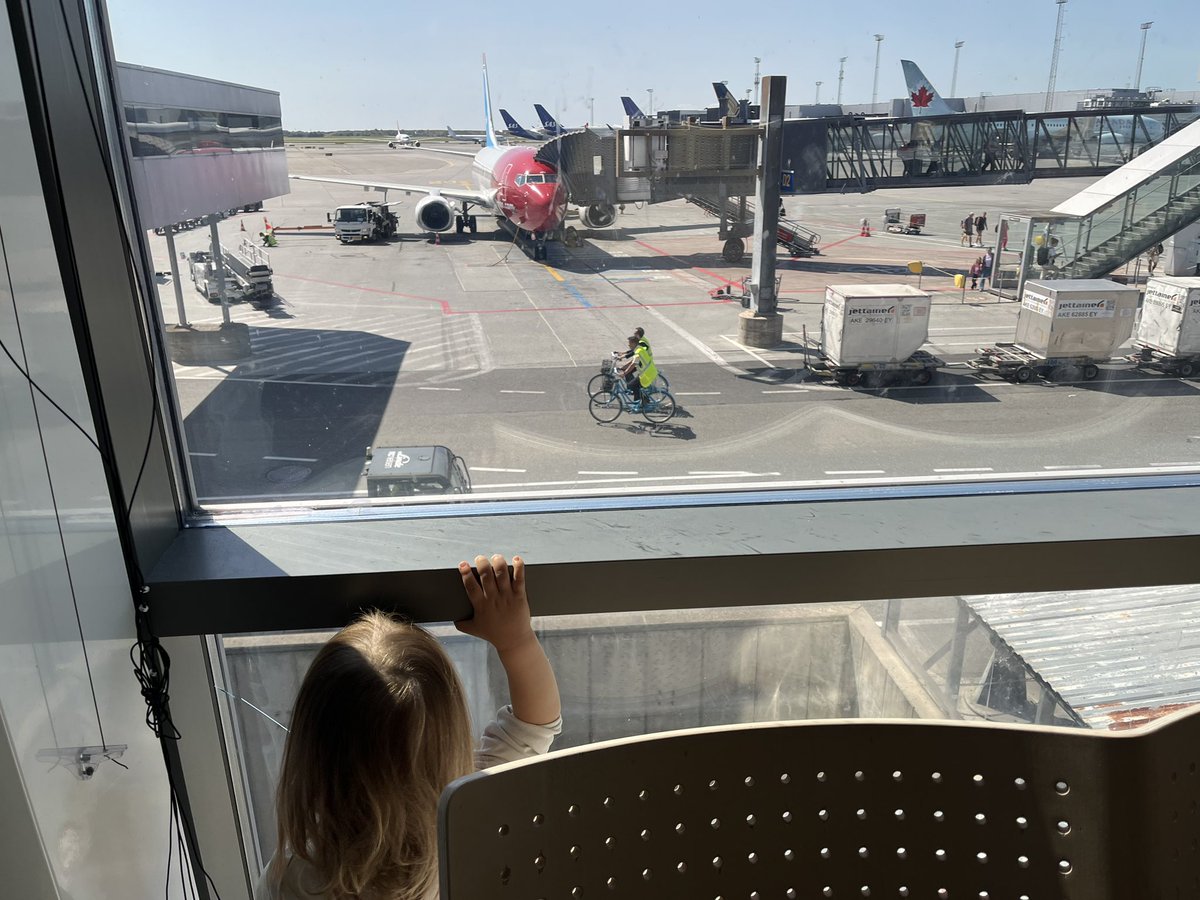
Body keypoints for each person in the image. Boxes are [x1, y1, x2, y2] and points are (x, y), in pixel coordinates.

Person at [256, 554, 561, 900]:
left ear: (312, 757)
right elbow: (535, 723)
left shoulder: (295, 877)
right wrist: (516, 640)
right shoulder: (470, 820)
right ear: (450, 738)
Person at [619, 333, 658, 409]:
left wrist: (624, 373)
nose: (628, 345)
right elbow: (632, 362)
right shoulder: (639, 348)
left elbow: (633, 363)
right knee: (637, 387)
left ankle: (639, 405)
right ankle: (644, 401)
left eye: (629, 343)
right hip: (648, 372)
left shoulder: (638, 351)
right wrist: (623, 368)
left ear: (634, 343)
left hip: (647, 374)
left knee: (631, 385)